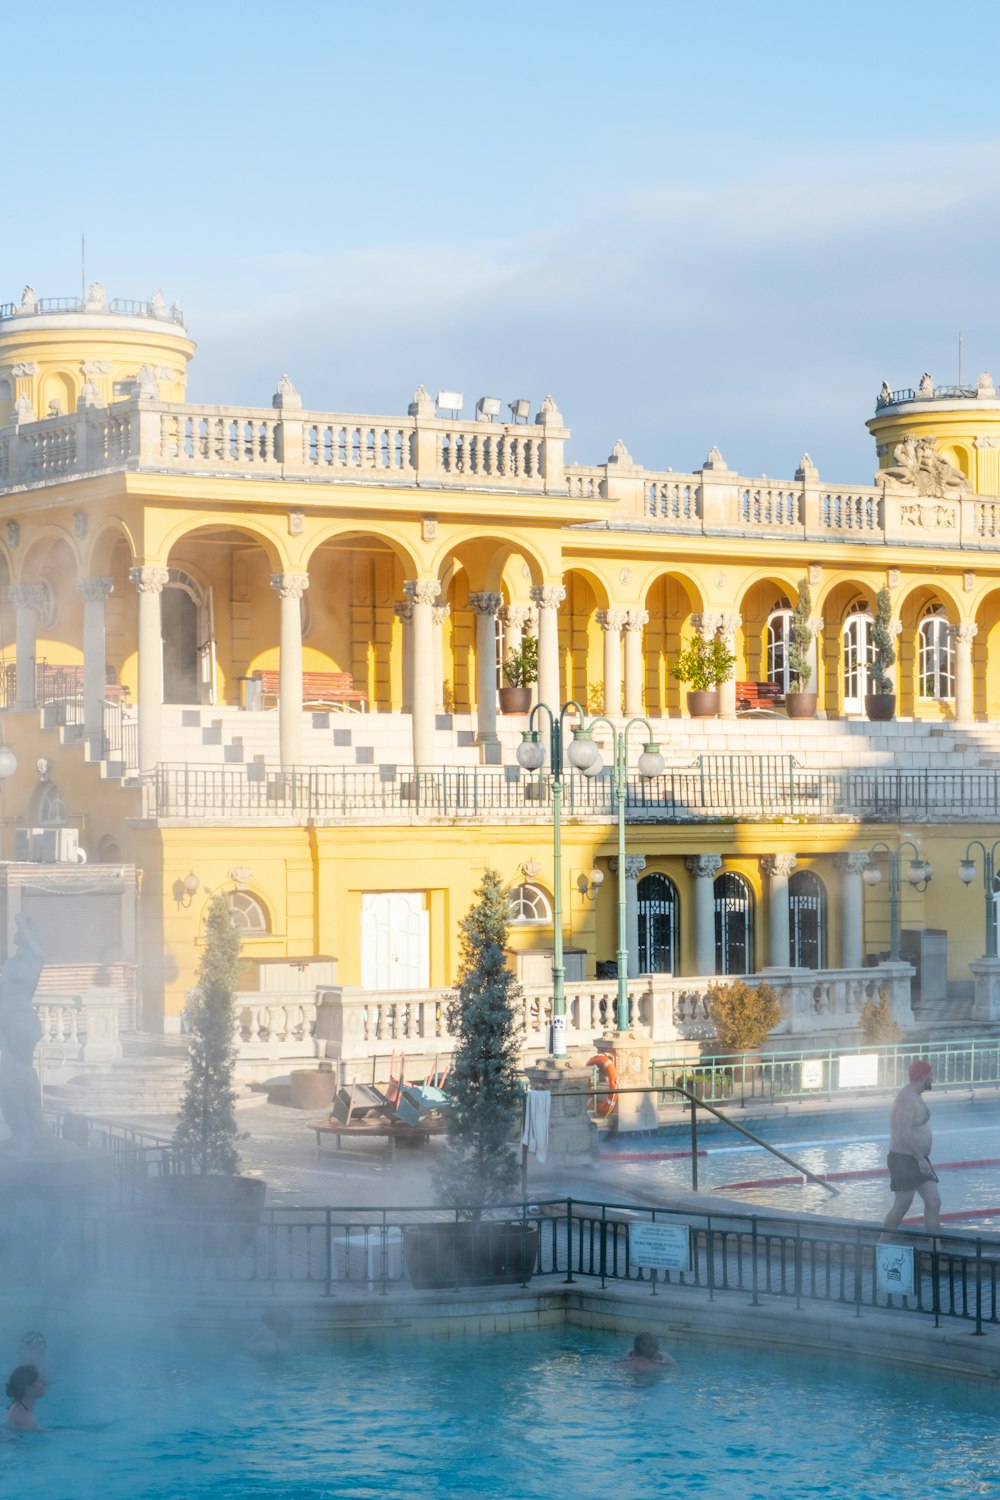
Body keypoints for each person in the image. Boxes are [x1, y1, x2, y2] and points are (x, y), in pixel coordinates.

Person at [881, 1059, 941, 1236]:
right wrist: (920, 1158)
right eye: (931, 1075)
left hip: (918, 1158)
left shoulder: (916, 1096)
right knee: (902, 1206)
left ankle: (935, 1250)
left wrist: (921, 1158)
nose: (933, 1078)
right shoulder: (906, 1098)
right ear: (923, 1077)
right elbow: (904, 1132)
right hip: (904, 1159)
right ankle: (882, 1245)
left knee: (934, 1201)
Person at [5, 1364, 46, 1431]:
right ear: (28, 1389)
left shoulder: (16, 1406)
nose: (44, 1383)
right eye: (40, 1381)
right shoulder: (24, 1417)